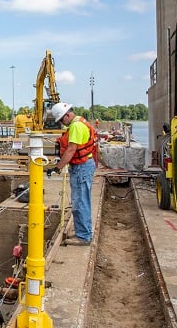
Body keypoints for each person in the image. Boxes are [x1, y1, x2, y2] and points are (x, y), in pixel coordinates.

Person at [47, 103, 97, 246]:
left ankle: (84, 236)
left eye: (62, 120)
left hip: (81, 168)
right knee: (81, 200)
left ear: (67, 115)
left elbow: (71, 150)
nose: (62, 124)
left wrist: (57, 168)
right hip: (84, 165)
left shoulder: (75, 127)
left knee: (80, 202)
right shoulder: (80, 121)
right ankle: (83, 230)